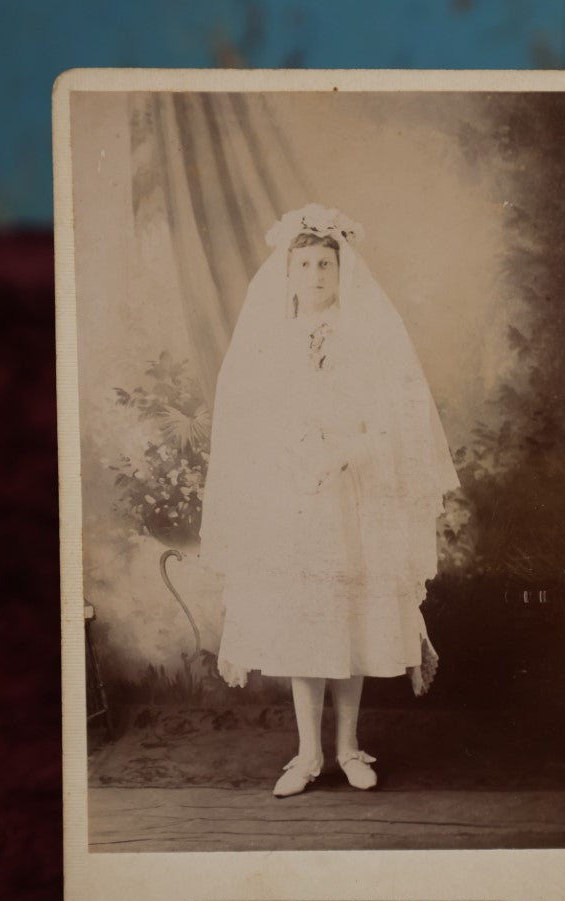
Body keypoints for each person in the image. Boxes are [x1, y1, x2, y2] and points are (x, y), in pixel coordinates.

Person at [200, 204, 458, 797]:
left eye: (325, 264)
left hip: (353, 492)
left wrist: (347, 450)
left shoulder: (369, 337)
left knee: (352, 619)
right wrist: (294, 449)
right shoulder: (269, 339)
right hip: (293, 497)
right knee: (304, 620)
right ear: (287, 272)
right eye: (305, 264)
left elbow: (397, 418)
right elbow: (249, 418)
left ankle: (348, 747)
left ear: (342, 272)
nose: (315, 274)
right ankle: (307, 753)